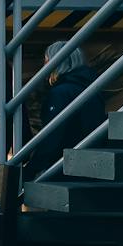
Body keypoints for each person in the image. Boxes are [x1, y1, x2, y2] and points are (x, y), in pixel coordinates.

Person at [33, 42, 105, 174]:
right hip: (90, 163)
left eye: (47, 60)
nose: (44, 66)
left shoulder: (61, 93)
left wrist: (32, 169)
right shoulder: (90, 89)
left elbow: (53, 136)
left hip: (63, 167)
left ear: (56, 62)